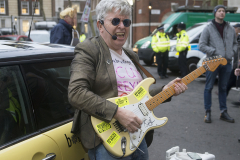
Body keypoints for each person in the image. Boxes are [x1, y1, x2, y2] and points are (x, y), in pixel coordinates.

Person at [68, 0, 188, 159]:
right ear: (100, 25)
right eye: (115, 21)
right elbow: (76, 93)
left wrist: (165, 91)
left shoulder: (131, 55)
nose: (122, 26)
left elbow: (137, 96)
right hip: (108, 141)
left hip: (138, 136)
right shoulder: (90, 50)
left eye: (126, 21)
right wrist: (117, 113)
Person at [199, 5, 237, 123]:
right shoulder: (208, 28)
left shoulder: (230, 28)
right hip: (213, 62)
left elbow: (235, 43)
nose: (222, 13)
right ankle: (208, 112)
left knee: (223, 88)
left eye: (223, 11)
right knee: (209, 87)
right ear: (215, 13)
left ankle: (223, 112)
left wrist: (232, 52)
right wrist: (214, 52)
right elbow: (202, 45)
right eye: (219, 11)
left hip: (227, 62)